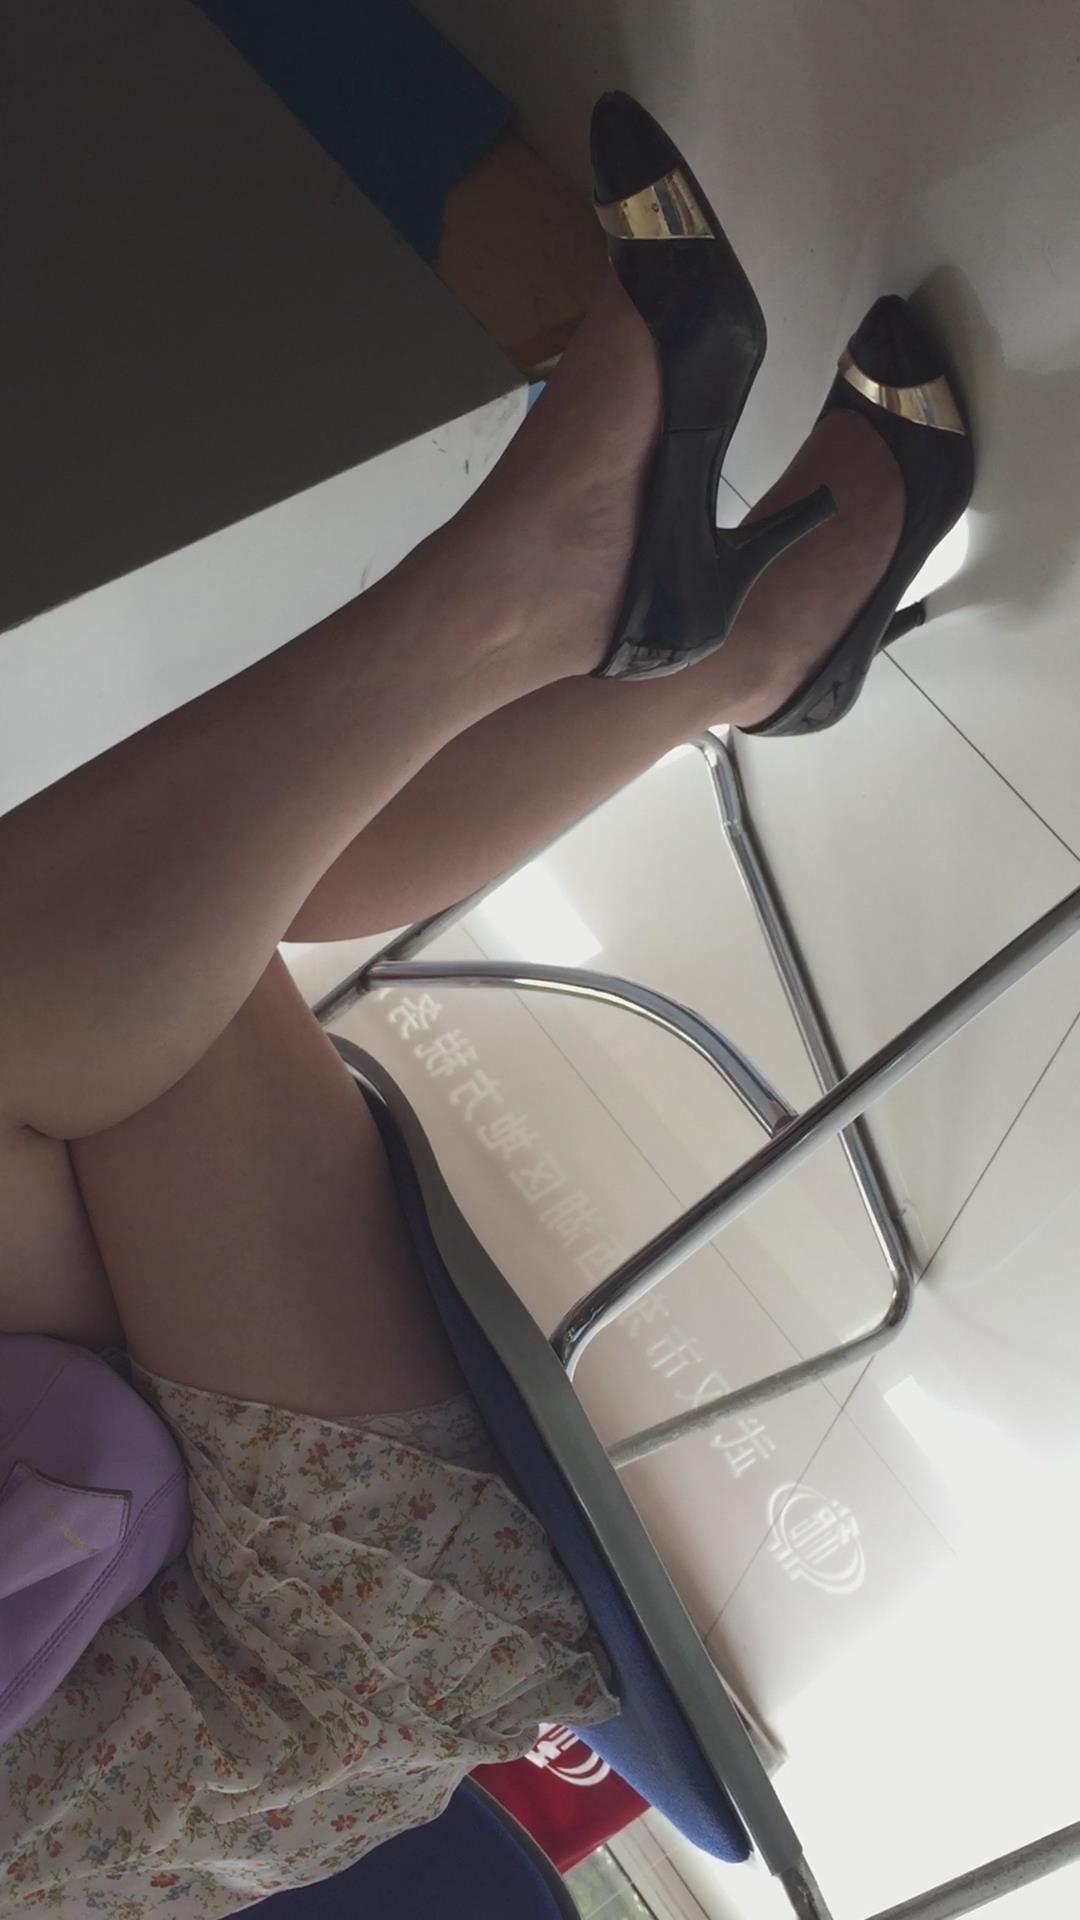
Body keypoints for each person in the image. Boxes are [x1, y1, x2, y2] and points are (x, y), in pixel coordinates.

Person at [0, 93, 969, 1916]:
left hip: (46, 1457)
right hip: (269, 1656)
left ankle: (703, 641)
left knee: (113, 962)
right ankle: (574, 605)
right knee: (104, 982)